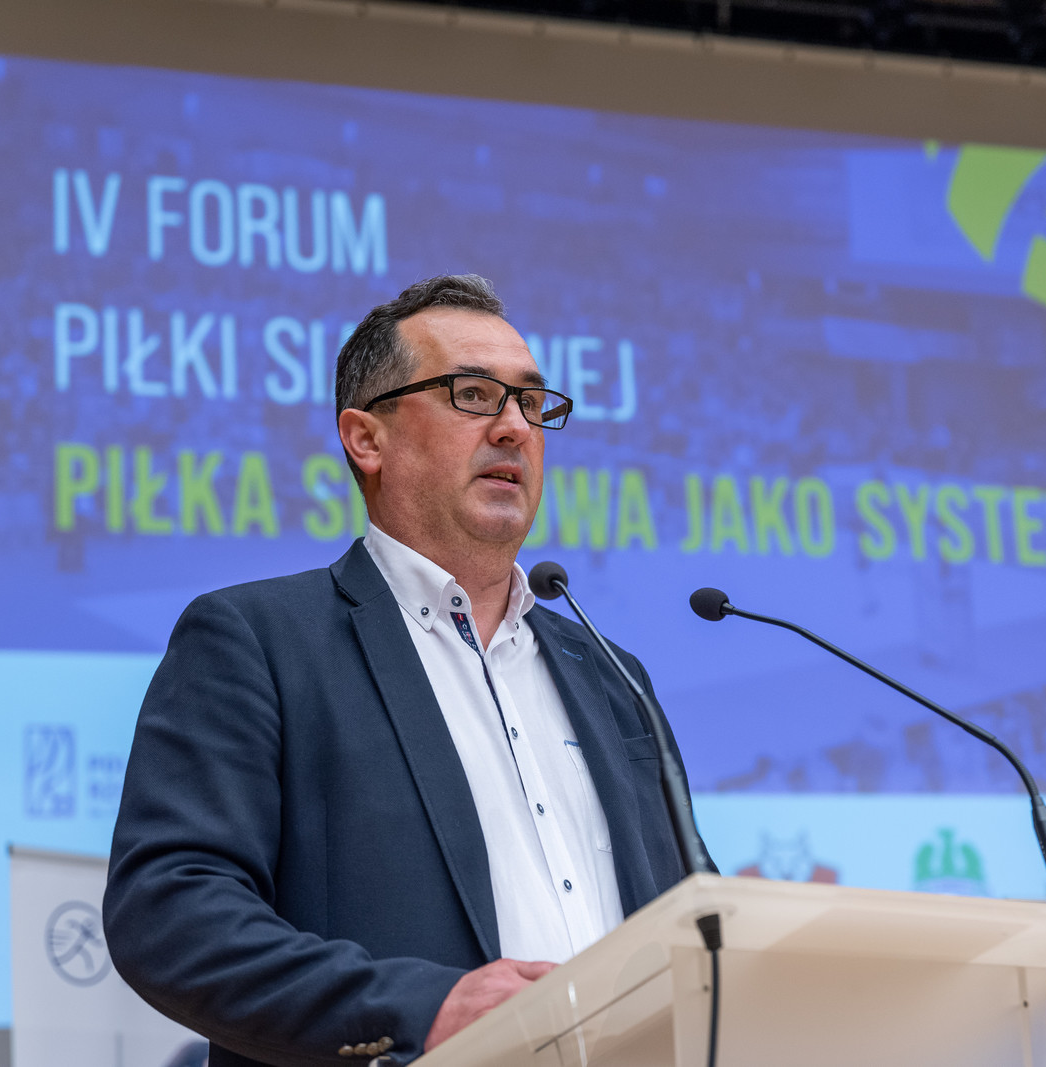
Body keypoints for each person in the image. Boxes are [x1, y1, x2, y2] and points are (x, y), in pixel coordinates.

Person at [104, 274, 708, 1067]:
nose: (514, 427)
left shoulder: (611, 676)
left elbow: (684, 921)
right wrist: (423, 1008)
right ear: (366, 438)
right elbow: (171, 911)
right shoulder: (258, 641)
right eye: (473, 394)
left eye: (531, 402)